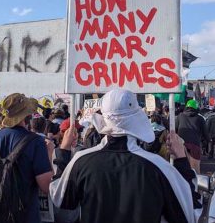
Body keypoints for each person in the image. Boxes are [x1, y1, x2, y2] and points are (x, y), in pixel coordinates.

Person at [50, 89, 200, 223]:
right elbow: (188, 213)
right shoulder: (159, 167)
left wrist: (63, 150)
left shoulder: (81, 161)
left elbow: (59, 198)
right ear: (137, 118)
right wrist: (181, 159)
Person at [0, 93, 53, 223]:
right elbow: (46, 186)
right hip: (24, 216)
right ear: (27, 116)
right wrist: (50, 153)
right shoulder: (36, 142)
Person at [176, 99, 211, 173]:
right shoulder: (200, 118)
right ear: (196, 108)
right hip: (195, 145)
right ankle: (195, 183)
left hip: (181, 145)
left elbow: (174, 130)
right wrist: (208, 140)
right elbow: (205, 133)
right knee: (195, 169)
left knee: (180, 168)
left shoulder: (180, 116)